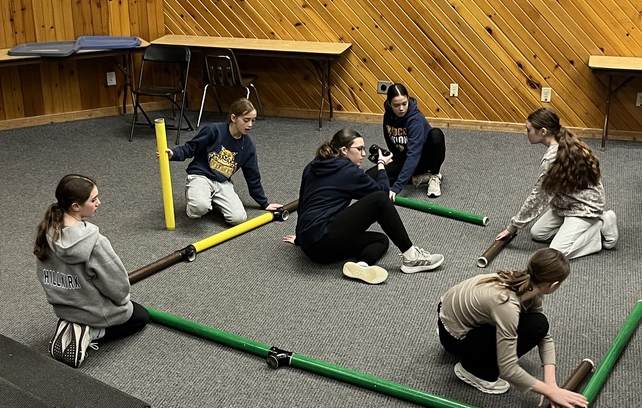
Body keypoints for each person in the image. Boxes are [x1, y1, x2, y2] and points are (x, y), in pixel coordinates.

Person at [437, 248, 587, 408]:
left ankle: (474, 347)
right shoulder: (507, 304)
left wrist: (551, 383)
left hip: (451, 316)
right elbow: (508, 369)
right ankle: (474, 370)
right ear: (553, 285)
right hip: (453, 337)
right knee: (530, 326)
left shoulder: (525, 283)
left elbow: (543, 333)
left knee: (538, 323)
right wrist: (549, 392)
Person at [293, 127, 444, 283]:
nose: (363, 154)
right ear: (344, 150)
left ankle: (362, 265)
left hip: (311, 247)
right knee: (379, 199)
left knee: (380, 240)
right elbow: (383, 194)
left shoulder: (312, 166)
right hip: (324, 240)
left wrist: (301, 236)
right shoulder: (349, 172)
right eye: (359, 149)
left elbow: (303, 202)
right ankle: (411, 257)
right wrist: (381, 165)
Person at [34, 174, 148, 369]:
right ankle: (91, 332)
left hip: (63, 308)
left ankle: (72, 325)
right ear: (75, 206)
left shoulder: (48, 230)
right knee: (140, 316)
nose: (99, 203)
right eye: (93, 200)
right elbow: (118, 287)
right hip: (93, 312)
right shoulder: (95, 242)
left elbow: (43, 275)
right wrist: (122, 302)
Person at [495, 107, 618, 259]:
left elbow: (538, 198)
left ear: (543, 131)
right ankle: (575, 227)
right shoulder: (564, 140)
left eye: (528, 130)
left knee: (557, 253)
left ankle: (601, 225)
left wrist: (512, 228)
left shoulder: (552, 160)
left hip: (585, 207)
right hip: (565, 204)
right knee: (538, 234)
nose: (526, 133)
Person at [162, 98, 281, 223]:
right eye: (246, 120)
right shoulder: (213, 130)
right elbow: (191, 148)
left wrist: (264, 203)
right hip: (201, 176)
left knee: (238, 219)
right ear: (234, 118)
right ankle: (198, 200)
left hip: (222, 182)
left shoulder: (248, 146)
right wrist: (173, 154)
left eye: (253, 120)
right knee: (199, 208)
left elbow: (253, 175)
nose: (250, 124)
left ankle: (212, 199)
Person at [381, 83, 446, 198]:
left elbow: (413, 155)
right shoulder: (388, 116)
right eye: (396, 105)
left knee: (436, 134)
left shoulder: (415, 120)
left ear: (408, 100)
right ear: (390, 104)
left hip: (421, 159)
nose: (401, 108)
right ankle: (417, 178)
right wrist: (390, 159)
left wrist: (397, 187)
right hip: (404, 159)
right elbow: (390, 140)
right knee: (372, 176)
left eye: (404, 104)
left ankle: (434, 176)